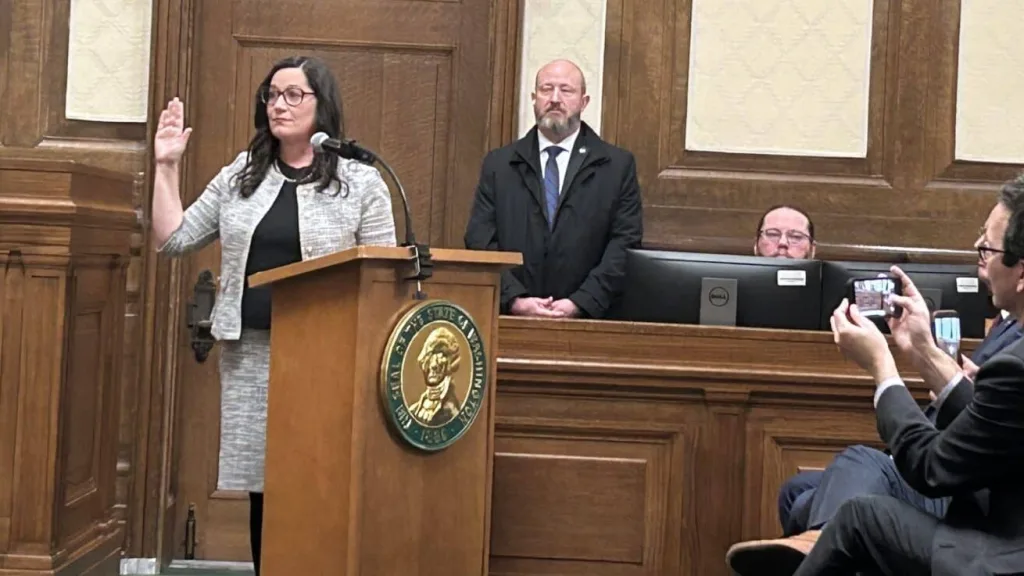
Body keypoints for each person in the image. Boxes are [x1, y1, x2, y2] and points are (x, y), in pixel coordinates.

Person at [151, 55, 397, 574]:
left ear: (321, 104)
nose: (277, 105)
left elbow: (384, 279)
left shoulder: (360, 181)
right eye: (271, 94)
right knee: (266, 490)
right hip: (254, 356)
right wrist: (166, 166)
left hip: (330, 359)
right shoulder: (241, 176)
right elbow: (173, 240)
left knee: (322, 482)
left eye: (292, 95)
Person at [735, 189, 1024, 575]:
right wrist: (920, 347)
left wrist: (882, 367)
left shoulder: (1015, 366)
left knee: (859, 515)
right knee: (819, 498)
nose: (977, 253)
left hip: (1003, 550)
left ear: (1020, 272)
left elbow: (932, 467)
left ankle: (818, 544)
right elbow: (998, 424)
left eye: (986, 248)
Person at [464, 58, 643, 319]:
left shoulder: (616, 166)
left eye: (566, 90)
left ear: (584, 101)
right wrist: (514, 298)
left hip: (590, 323)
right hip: (510, 321)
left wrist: (582, 301)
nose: (555, 98)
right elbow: (480, 240)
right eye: (547, 89)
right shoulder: (500, 164)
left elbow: (625, 243)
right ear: (534, 98)